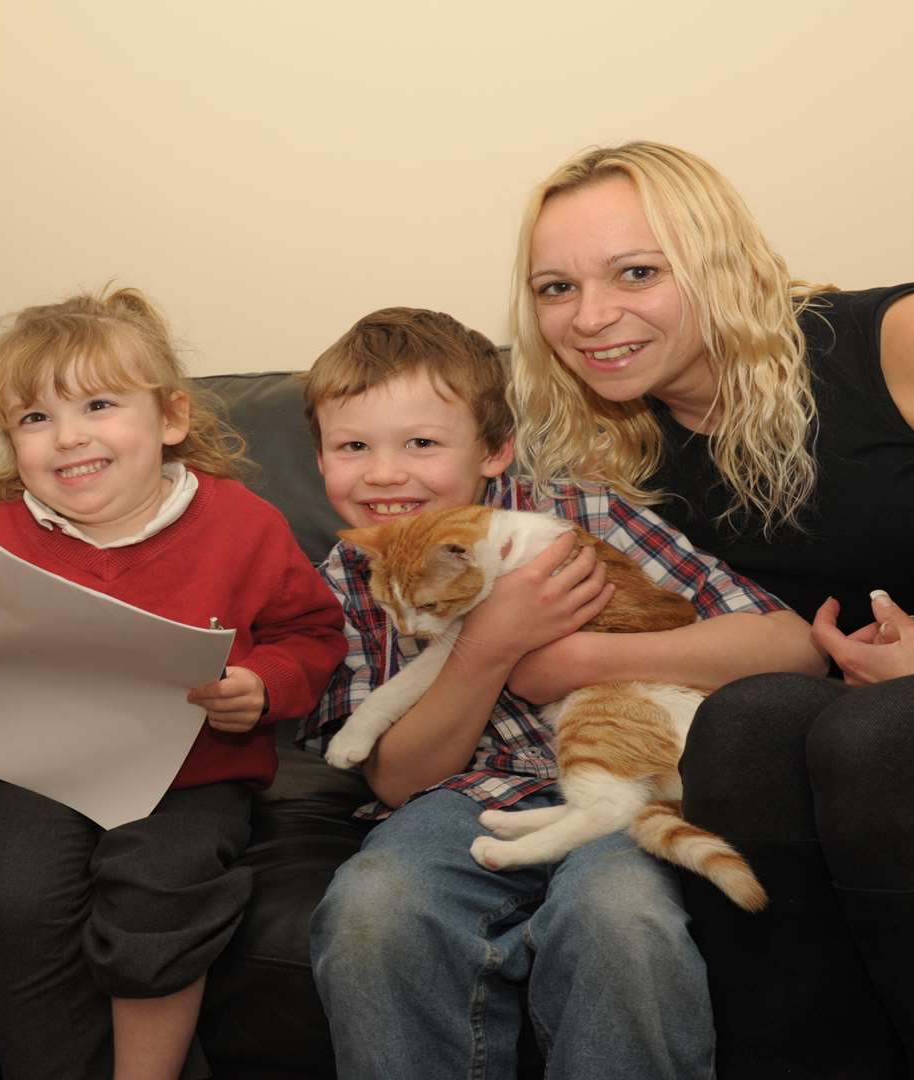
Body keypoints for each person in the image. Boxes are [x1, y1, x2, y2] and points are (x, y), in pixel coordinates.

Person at [508, 140, 914, 1076]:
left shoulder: (913, 341)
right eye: (555, 288)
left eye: (636, 272)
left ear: (721, 263)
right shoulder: (624, 448)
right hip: (897, 712)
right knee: (749, 724)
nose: (592, 317)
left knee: (883, 738)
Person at [298, 307, 819, 1079]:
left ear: (495, 450)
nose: (383, 473)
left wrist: (574, 656)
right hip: (453, 796)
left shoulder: (585, 515)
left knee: (622, 917)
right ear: (319, 461)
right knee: (373, 906)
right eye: (352, 447)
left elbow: (792, 647)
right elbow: (399, 780)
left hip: (626, 781)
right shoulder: (352, 572)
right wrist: (493, 640)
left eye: (421, 443)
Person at [0, 287, 344, 1080]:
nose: (68, 437)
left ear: (170, 420)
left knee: (160, 888)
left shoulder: (243, 526)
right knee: (23, 907)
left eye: (98, 404)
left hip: (190, 770)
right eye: (35, 419)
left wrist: (261, 685)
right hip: (31, 766)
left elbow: (314, 635)